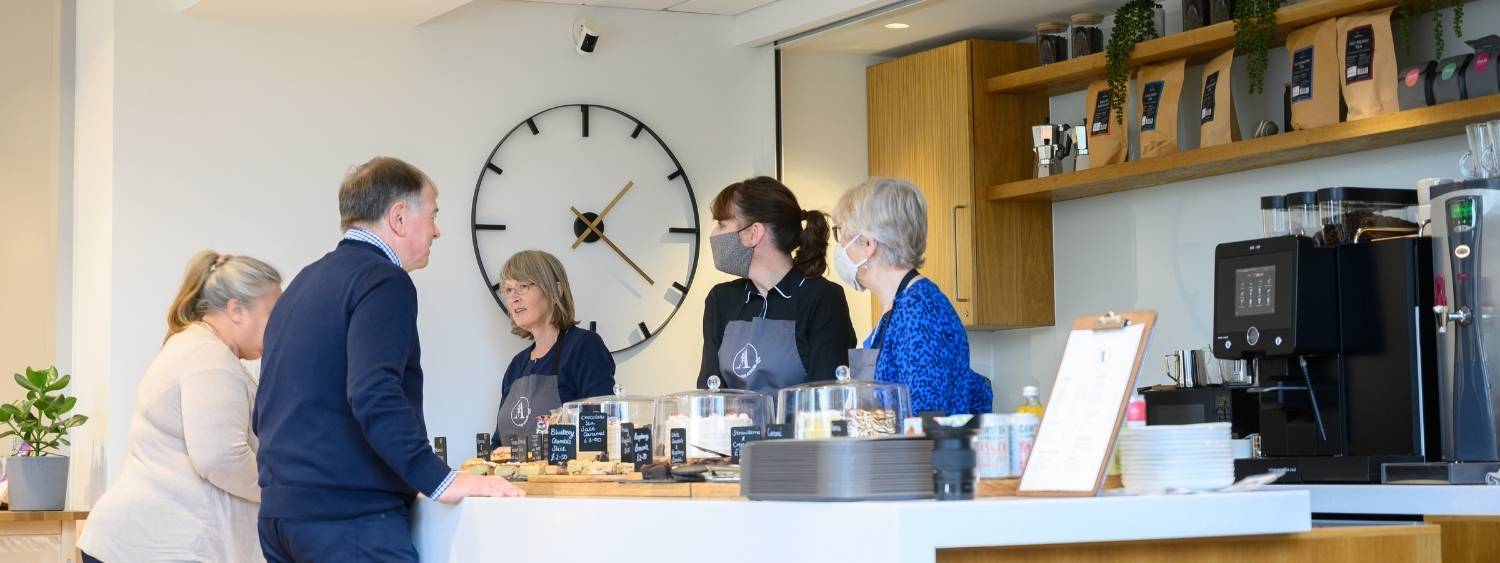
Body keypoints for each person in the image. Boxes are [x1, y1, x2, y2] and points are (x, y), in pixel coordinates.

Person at [254, 156, 522, 563]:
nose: (437, 230)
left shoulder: (302, 283)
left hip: (282, 518)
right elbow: (375, 393)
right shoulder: (383, 281)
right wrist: (439, 479)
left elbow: (268, 404)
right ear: (398, 217)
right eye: (432, 215)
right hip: (350, 521)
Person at [77, 251, 283, 563]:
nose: (280, 325)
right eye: (273, 313)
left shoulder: (197, 346)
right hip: (155, 545)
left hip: (142, 542)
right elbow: (220, 458)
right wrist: (282, 489)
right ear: (236, 309)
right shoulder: (209, 358)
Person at [831, 177, 993, 415]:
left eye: (841, 235)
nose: (839, 247)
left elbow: (925, 419)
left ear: (868, 244)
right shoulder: (899, 307)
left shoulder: (920, 311)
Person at [699, 176, 856, 394]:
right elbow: (710, 395)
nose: (714, 234)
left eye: (722, 224)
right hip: (733, 428)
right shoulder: (721, 300)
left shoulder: (822, 298)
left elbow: (826, 399)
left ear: (753, 233)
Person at [490, 250, 616, 450]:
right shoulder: (516, 365)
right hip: (514, 481)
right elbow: (498, 443)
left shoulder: (584, 347)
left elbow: (600, 432)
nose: (513, 298)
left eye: (523, 286)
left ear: (556, 291)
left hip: (564, 480)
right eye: (508, 290)